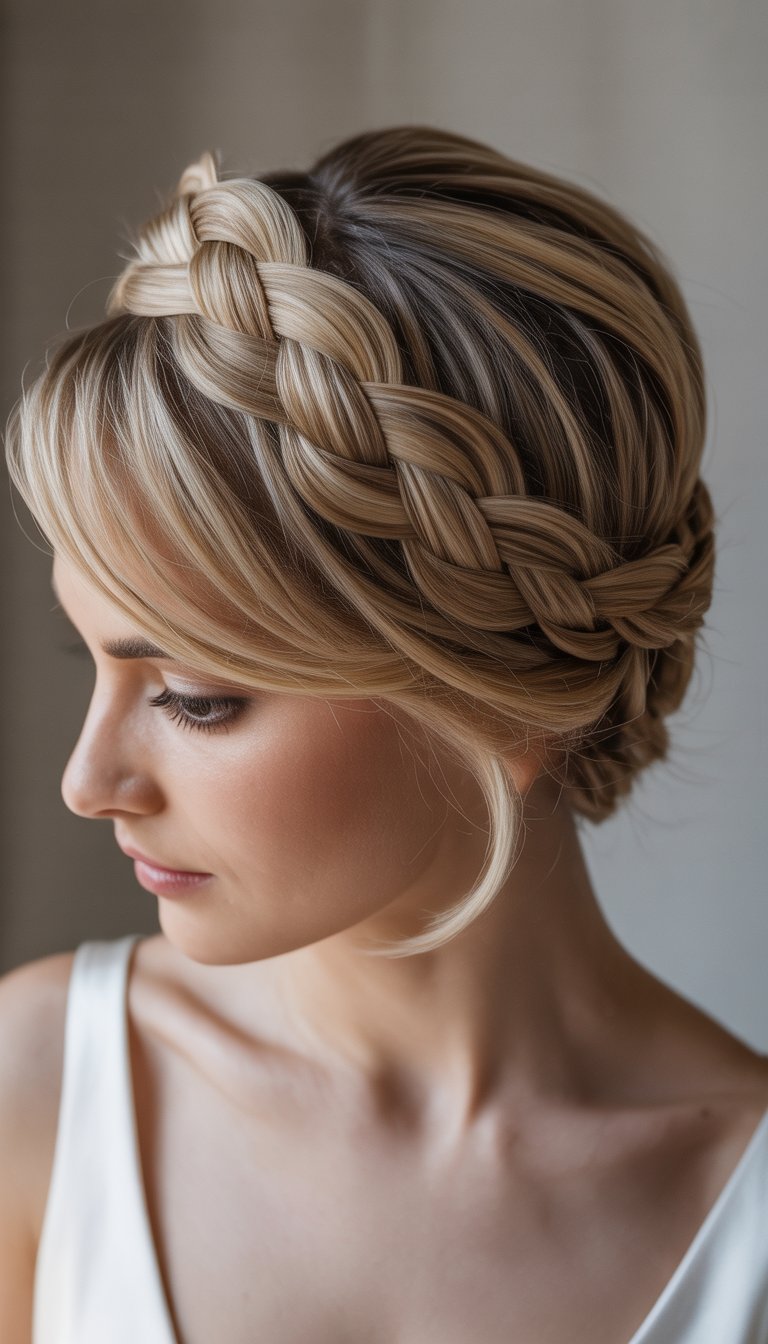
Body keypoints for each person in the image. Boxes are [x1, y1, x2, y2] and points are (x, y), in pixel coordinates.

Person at [1, 124, 766, 1343]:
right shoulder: (36, 1090)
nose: (88, 783)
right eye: (92, 659)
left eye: (197, 697)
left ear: (496, 701)